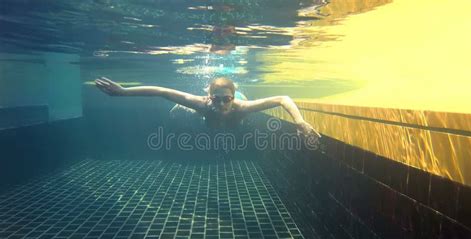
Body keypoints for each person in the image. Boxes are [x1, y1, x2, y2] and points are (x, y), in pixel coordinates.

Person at [94, 77, 320, 136]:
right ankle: (185, 108)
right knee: (184, 106)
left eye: (226, 99)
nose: (222, 103)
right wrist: (123, 92)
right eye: (217, 99)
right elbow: (161, 91)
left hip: (235, 122)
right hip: (206, 119)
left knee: (236, 110)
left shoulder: (241, 106)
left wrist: (299, 121)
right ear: (209, 97)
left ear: (232, 98)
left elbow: (283, 98)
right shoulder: (202, 104)